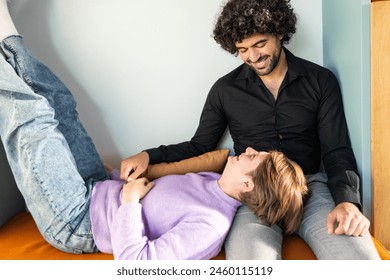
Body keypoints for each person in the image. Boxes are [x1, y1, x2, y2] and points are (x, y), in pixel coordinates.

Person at [0, 0, 308, 260]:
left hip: (79, 221)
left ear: (249, 185)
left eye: (254, 157)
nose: (249, 149)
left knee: (34, 116)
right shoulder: (214, 179)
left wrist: (131, 203)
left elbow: (136, 264)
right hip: (98, 185)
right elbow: (195, 148)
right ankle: (6, 32)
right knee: (61, 104)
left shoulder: (209, 226)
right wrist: (137, 165)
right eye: (244, 48)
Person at [120, 0, 380, 259]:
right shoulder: (225, 90)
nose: (253, 57)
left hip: (310, 191)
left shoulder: (321, 81)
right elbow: (199, 146)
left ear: (279, 32)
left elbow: (337, 151)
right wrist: (148, 155)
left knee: (360, 260)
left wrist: (348, 202)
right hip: (252, 196)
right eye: (242, 49)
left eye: (259, 44)